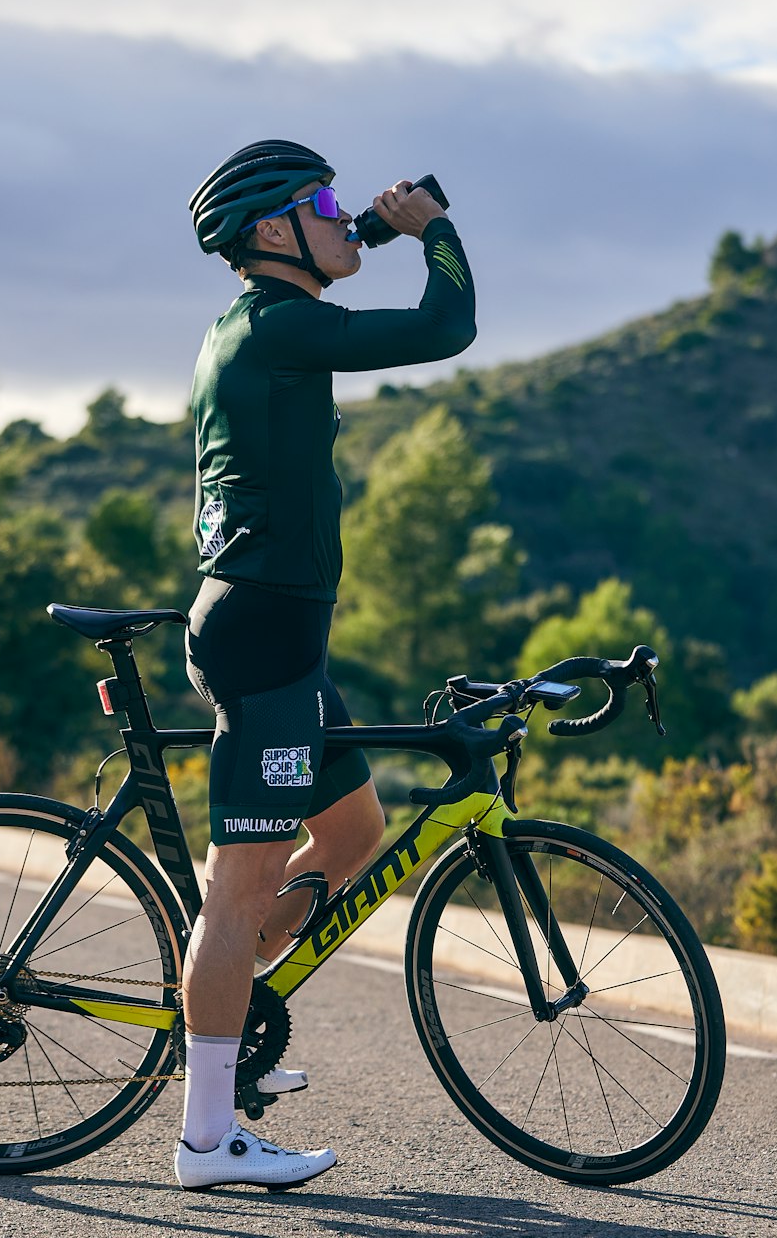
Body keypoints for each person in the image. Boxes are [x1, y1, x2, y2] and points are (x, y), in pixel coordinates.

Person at [174, 139, 477, 1190]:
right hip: (263, 634)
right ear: (271, 231)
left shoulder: (253, 324)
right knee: (239, 884)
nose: (345, 213)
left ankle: (236, 1013)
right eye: (324, 201)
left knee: (352, 833)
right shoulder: (283, 326)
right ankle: (208, 1136)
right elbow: (449, 326)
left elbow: (338, 254)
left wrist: (371, 232)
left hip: (273, 631)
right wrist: (432, 230)